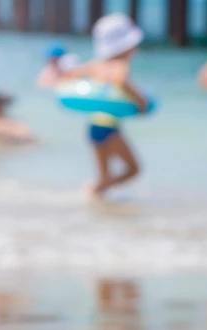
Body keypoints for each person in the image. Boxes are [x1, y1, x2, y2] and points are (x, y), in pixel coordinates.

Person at [65, 14, 149, 197]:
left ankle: (95, 198)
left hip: (94, 127)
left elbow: (71, 75)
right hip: (109, 128)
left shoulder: (96, 64)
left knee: (103, 176)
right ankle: (94, 192)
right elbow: (121, 81)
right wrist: (141, 101)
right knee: (134, 169)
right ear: (125, 46)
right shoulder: (120, 65)